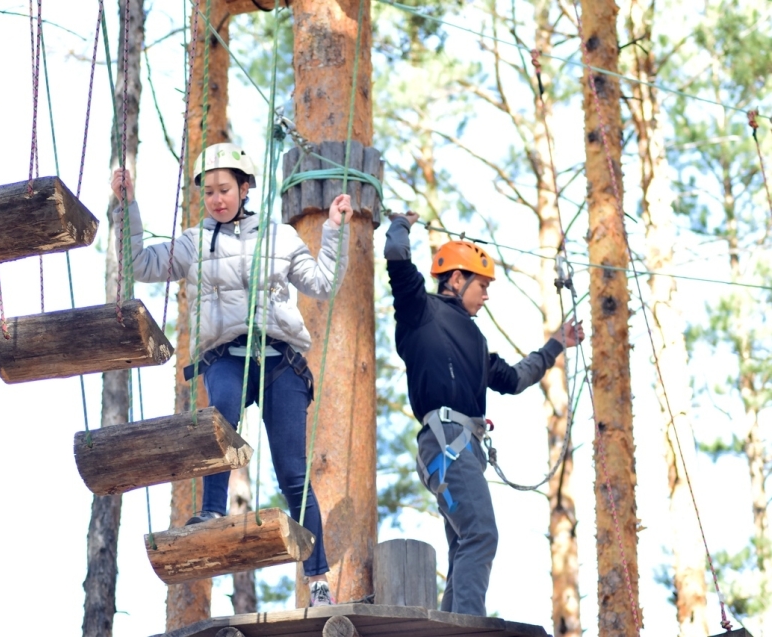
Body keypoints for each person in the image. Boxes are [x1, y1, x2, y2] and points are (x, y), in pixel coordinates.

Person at [111, 143, 353, 607]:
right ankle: (211, 510)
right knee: (218, 418)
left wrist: (335, 230)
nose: (218, 199)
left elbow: (323, 284)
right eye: (210, 193)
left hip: (279, 360)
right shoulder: (194, 242)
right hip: (226, 356)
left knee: (293, 474)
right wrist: (127, 206)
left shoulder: (280, 237)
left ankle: (317, 577)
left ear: (245, 188)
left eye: (226, 189)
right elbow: (139, 264)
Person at [384, 211, 584, 616]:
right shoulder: (419, 311)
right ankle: (467, 627)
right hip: (445, 442)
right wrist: (401, 224)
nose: (487, 295)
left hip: (462, 448)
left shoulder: (474, 339)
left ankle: (452, 624)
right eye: (483, 285)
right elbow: (396, 255)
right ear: (456, 280)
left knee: (465, 544)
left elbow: (513, 378)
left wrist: (556, 345)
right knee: (480, 534)